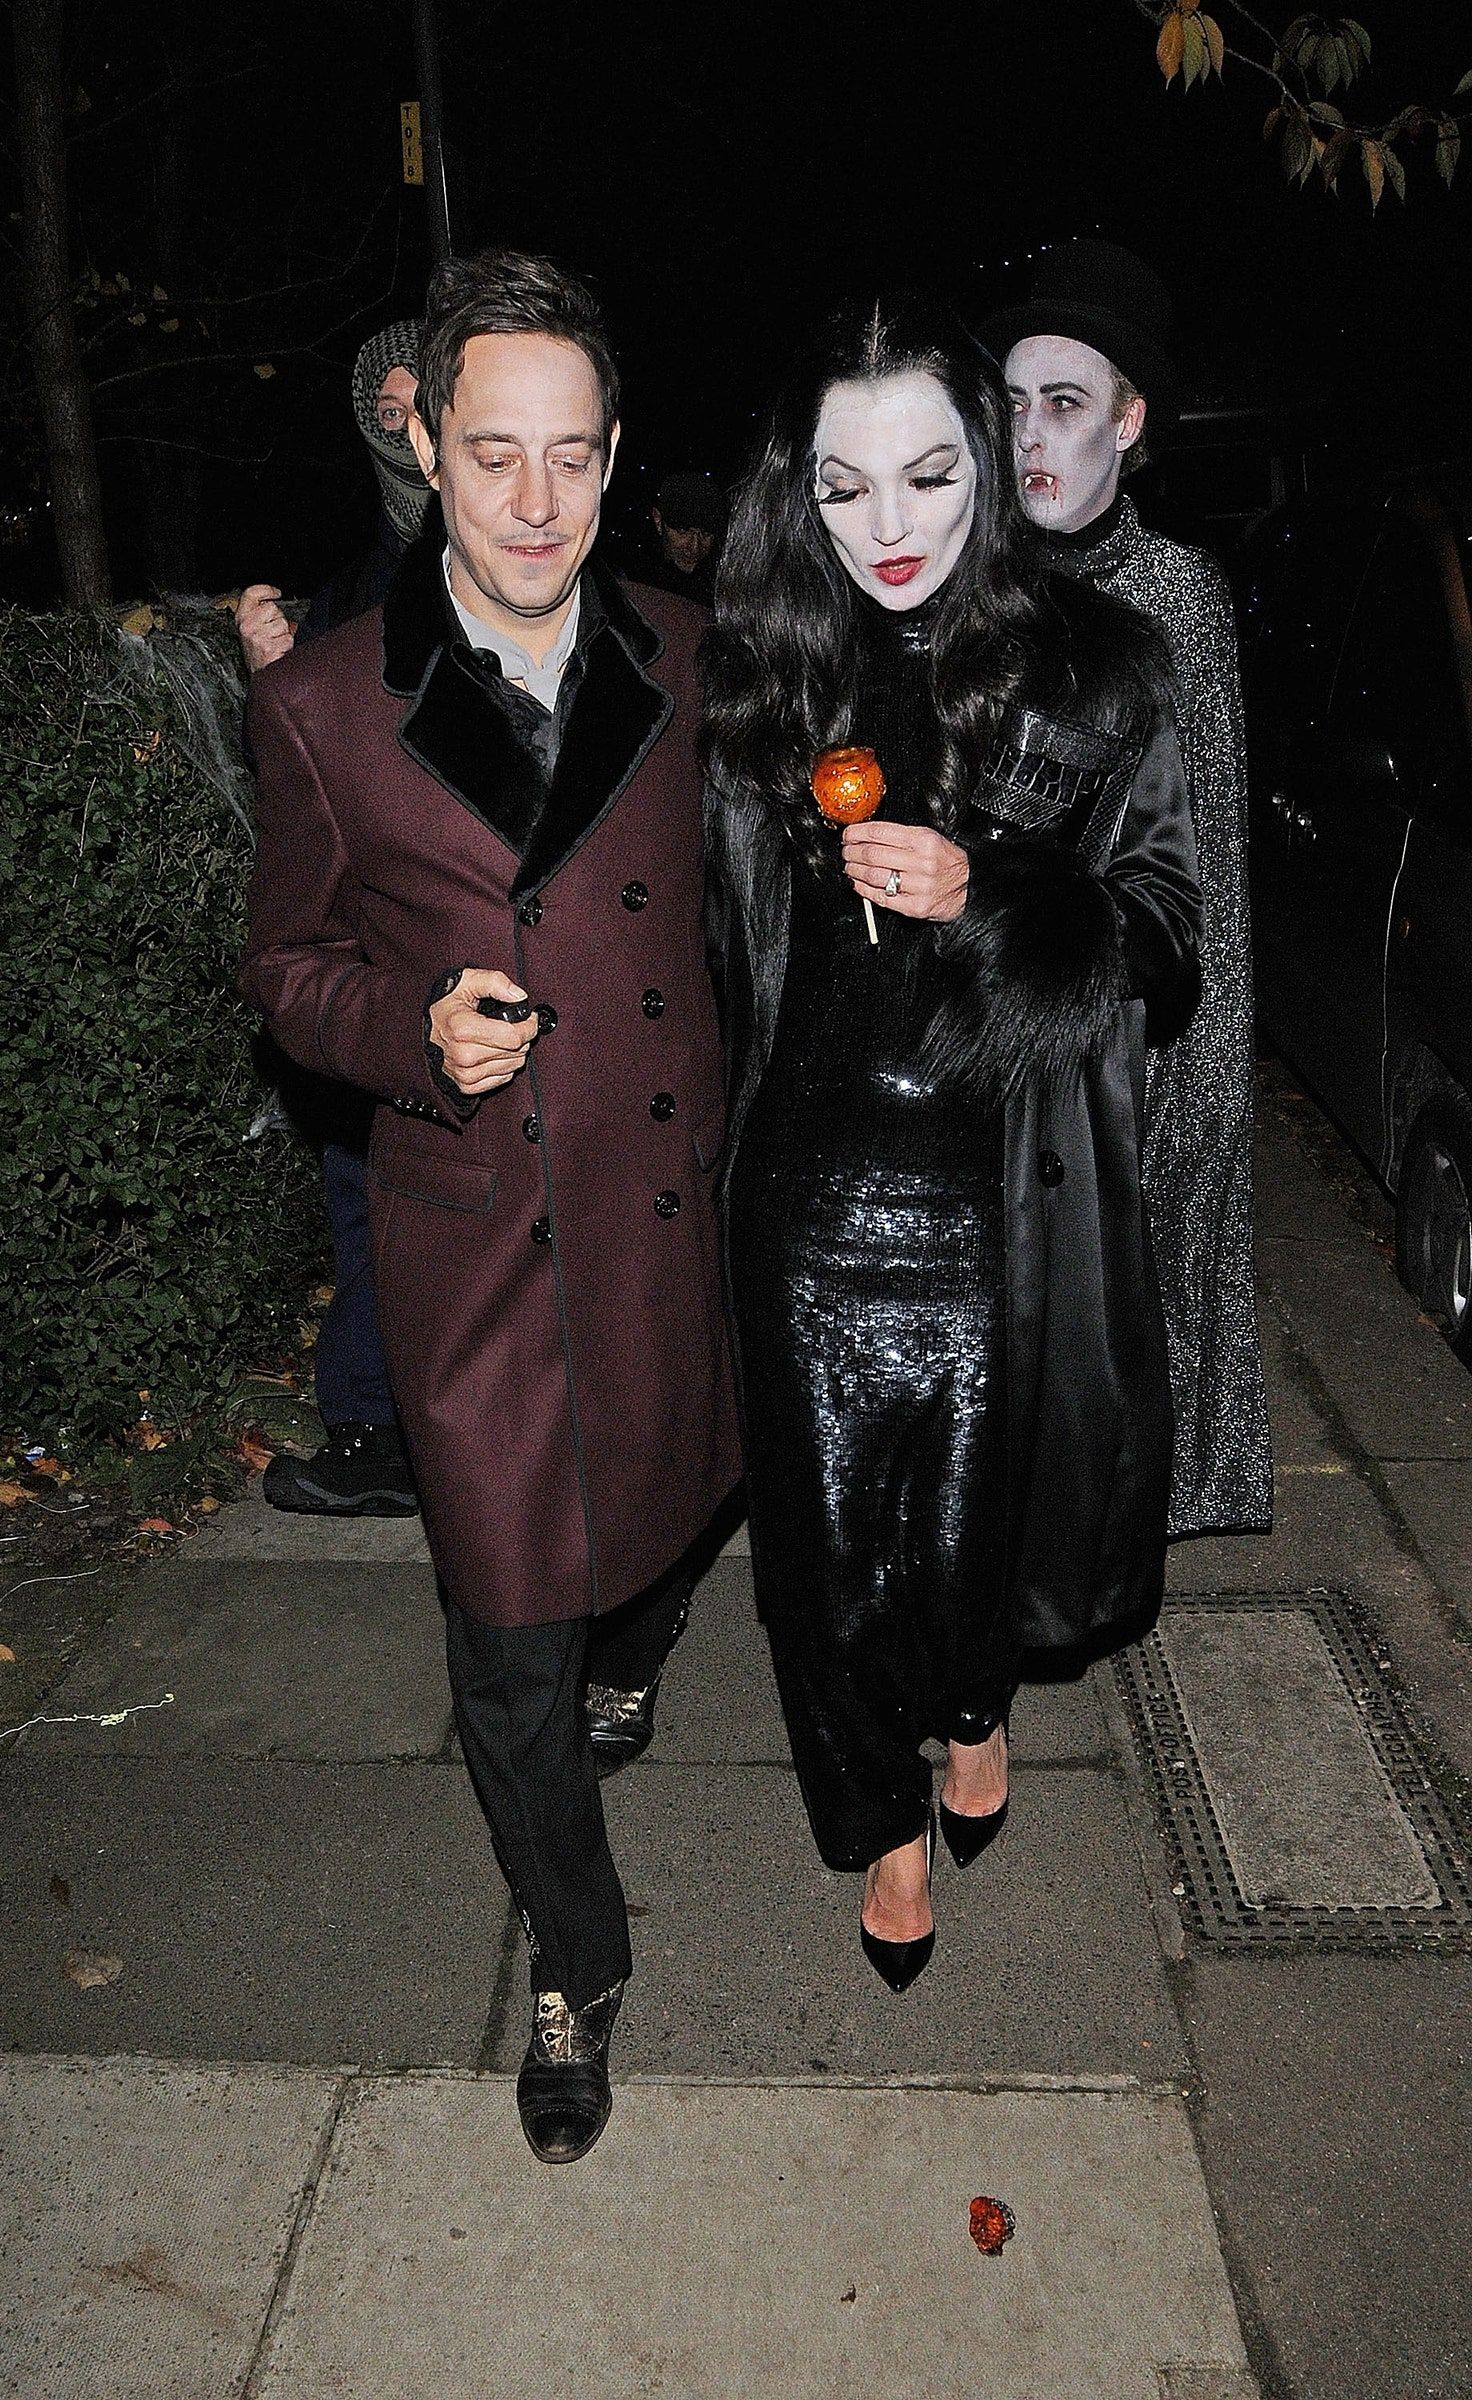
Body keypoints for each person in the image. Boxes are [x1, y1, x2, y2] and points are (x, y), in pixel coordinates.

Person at [241, 249, 741, 2161]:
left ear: (614, 459)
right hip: (480, 1240)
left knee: (673, 1517)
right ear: (426, 448)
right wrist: (405, 1031)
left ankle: (636, 1649)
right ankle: (576, 1955)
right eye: (494, 453)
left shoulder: (687, 655)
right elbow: (288, 968)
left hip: (666, 1207)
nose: (537, 502)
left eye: (574, 455)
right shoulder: (324, 704)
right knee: (508, 1642)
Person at [702, 294, 1200, 1991]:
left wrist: (993, 891)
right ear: (800, 496)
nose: (890, 527)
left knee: (976, 1521)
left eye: (928, 476)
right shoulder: (766, 682)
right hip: (805, 1189)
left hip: (998, 1192)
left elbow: (1169, 935)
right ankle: (881, 1829)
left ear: (987, 463)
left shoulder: (1099, 669)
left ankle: (975, 1703)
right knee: (825, 1553)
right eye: (845, 491)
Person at [983, 238, 1272, 1537]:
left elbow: (1209, 858)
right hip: (986, 1023)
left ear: (1130, 421)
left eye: (1067, 403)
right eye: (1013, 403)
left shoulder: (1176, 598)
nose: (1032, 437)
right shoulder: (962, 579)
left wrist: (1202, 1088)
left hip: (1121, 1029)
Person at [234, 321, 435, 1519]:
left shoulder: (525, 558)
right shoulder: (356, 587)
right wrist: (274, 682)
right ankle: (373, 1429)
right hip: (369, 945)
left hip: (471, 934)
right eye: (387, 415)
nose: (408, 436)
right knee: (365, 1185)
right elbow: (306, 775)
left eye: (426, 406)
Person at [622, 470, 726, 605]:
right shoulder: (628, 576)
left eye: (706, 534)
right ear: (658, 521)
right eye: (683, 531)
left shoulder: (723, 582)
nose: (694, 546)